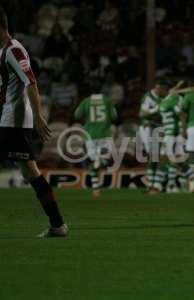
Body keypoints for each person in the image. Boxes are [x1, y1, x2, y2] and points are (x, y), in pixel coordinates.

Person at [0, 7, 67, 237]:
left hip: (14, 121)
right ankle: (58, 224)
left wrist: (39, 116)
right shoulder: (2, 51)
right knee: (31, 173)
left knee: (31, 172)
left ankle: (58, 224)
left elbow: (30, 82)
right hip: (7, 120)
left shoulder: (13, 50)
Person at [74, 83, 117, 198]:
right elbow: (114, 116)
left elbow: (77, 115)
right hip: (105, 134)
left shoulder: (86, 101)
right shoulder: (107, 100)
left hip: (90, 135)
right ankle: (99, 163)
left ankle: (96, 190)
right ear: (101, 89)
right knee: (106, 160)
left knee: (93, 163)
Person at [138, 79, 169, 193]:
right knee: (154, 156)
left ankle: (155, 183)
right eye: (163, 89)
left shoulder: (165, 97)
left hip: (160, 128)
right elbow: (142, 113)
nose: (165, 91)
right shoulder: (149, 97)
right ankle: (152, 184)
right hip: (148, 129)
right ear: (158, 87)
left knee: (160, 156)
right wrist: (156, 109)